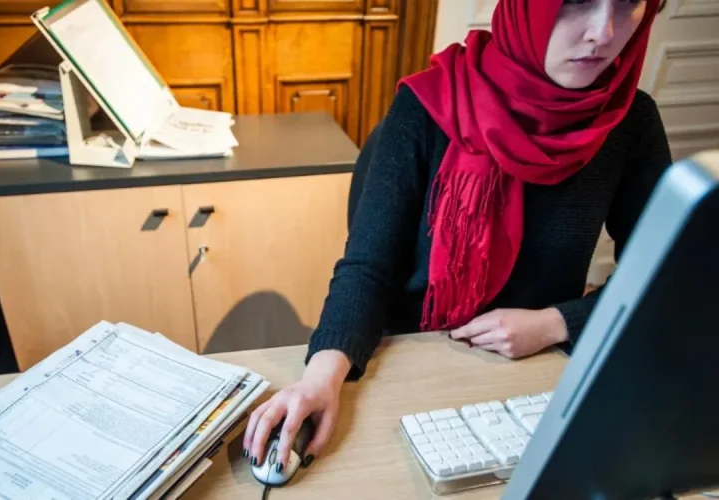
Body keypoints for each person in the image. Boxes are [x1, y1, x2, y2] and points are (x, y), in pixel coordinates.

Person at [244, 0, 670, 473]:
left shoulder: (632, 122)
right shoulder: (426, 107)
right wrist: (319, 379)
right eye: (577, 2)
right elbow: (368, 267)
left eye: (629, 3)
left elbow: (662, 279)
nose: (603, 32)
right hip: (411, 362)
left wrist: (558, 322)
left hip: (541, 374)